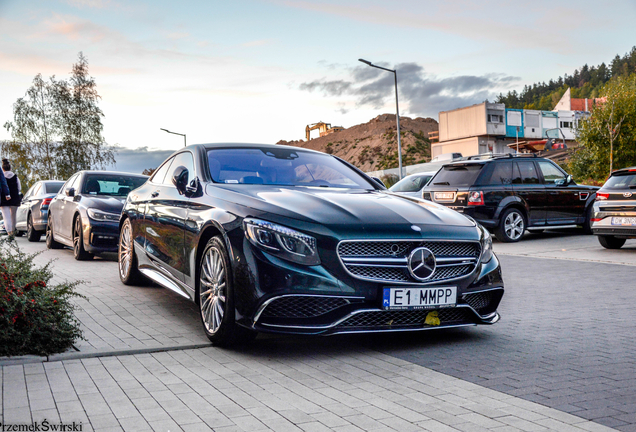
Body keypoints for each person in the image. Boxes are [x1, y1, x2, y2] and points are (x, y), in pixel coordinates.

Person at [0, 159, 21, 236]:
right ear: (10, 168)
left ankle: (9, 233)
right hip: (14, 199)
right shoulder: (15, 177)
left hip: (3, 199)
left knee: (6, 217)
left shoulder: (1, 177)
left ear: (3, 168)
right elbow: (19, 188)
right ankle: (13, 230)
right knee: (13, 216)